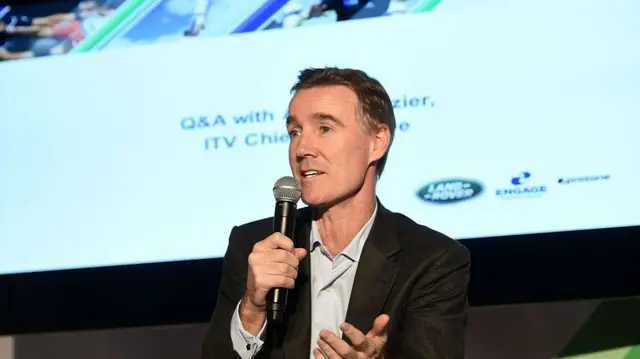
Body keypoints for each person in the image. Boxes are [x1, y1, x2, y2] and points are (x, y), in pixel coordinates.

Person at [201, 67, 470, 358]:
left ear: (377, 142)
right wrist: (253, 310)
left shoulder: (432, 259)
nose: (302, 148)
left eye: (325, 129)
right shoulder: (253, 246)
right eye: (295, 131)